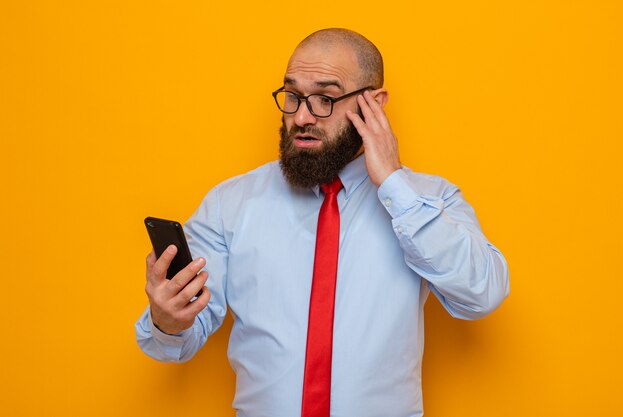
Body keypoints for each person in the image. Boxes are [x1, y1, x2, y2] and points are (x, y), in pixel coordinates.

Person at [135, 28, 509, 417]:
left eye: (325, 99)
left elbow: (482, 295)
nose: (301, 116)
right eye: (293, 96)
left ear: (373, 104)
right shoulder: (230, 204)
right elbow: (176, 342)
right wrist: (167, 319)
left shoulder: (428, 200)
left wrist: (395, 187)